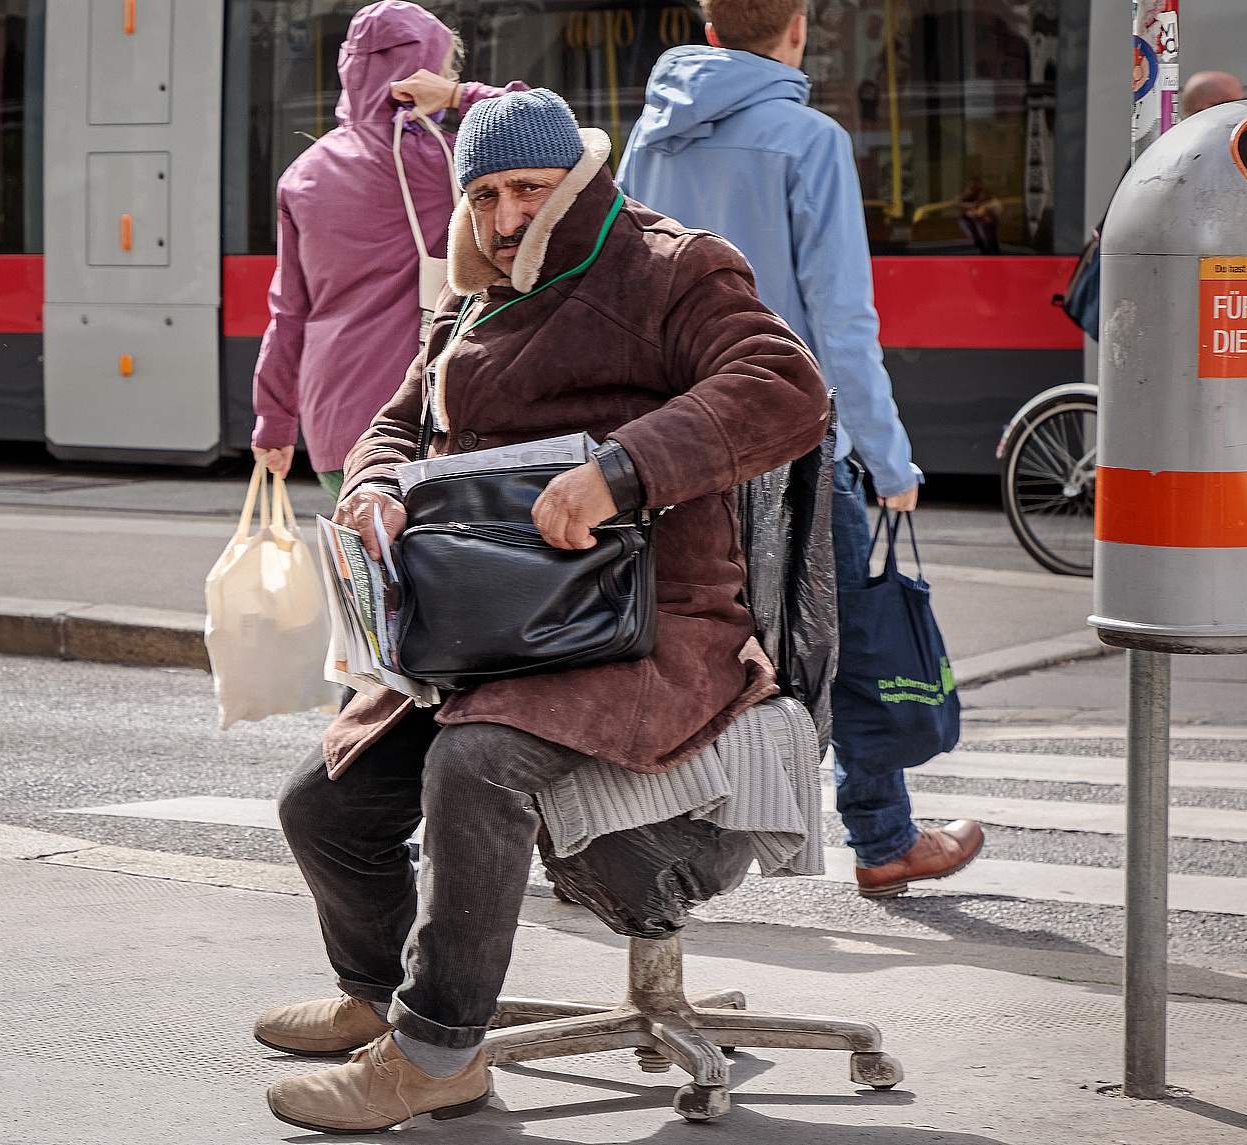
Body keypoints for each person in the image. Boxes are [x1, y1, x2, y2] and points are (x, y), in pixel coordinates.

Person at [257, 88, 830, 1133]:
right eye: (484, 195)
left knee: (473, 763)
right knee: (324, 802)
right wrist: (374, 484)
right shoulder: (471, 294)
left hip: (651, 622)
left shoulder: (672, 266)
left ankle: (436, 1051)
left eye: (528, 188)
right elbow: (396, 416)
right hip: (492, 622)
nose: (507, 215)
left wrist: (622, 469)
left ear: (576, 177)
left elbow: (784, 384)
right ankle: (378, 997)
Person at [617, 0, 983, 900]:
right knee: (850, 637)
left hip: (680, 445)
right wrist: (889, 461)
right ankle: (883, 836)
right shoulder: (808, 139)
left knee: (684, 637)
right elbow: (841, 324)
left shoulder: (647, 142)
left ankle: (657, 847)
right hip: (795, 442)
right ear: (799, 27)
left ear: (708, 30)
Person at [249, 1, 525, 499]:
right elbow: (540, 126)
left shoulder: (304, 174)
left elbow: (288, 311)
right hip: (435, 412)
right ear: (428, 73)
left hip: (336, 418)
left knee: (367, 569)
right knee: (447, 571)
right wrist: (462, 97)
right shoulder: (450, 157)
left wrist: (273, 422)